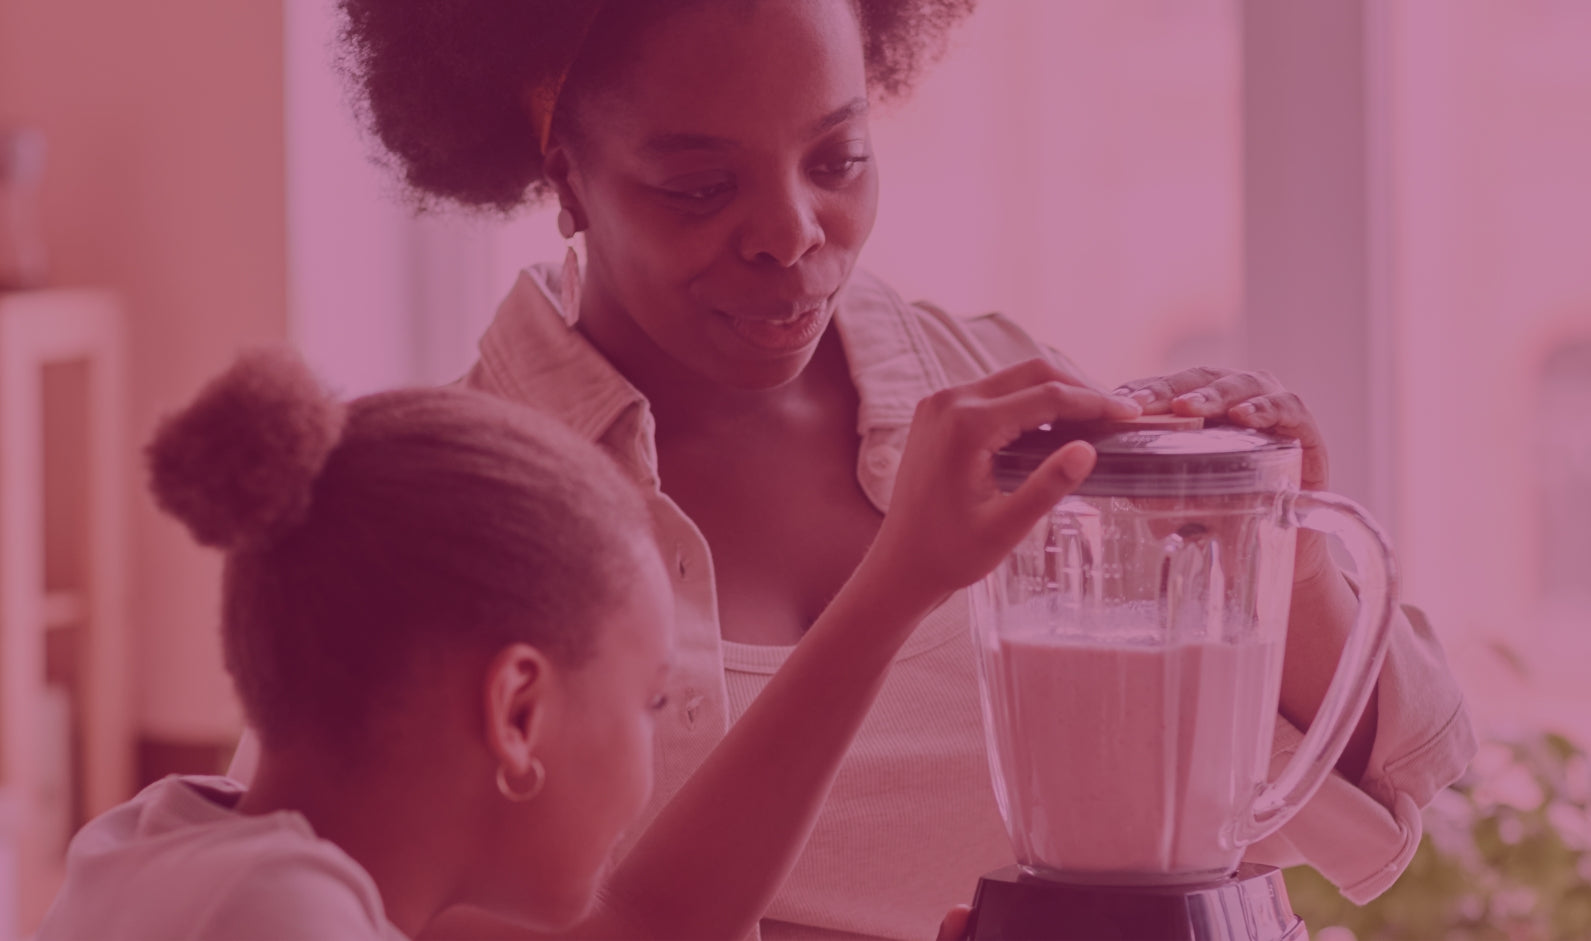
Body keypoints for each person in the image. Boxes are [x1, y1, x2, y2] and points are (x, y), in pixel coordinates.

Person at [320, 0, 1476, 938]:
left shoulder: (996, 392)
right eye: (700, 187)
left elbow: (1401, 765)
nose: (791, 231)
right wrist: (899, 580)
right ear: (566, 175)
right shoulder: (444, 520)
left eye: (839, 158)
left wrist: (1283, 557)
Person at [36, 347, 1127, 940]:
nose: (654, 748)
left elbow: (649, 924)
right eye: (647, 702)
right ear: (519, 710)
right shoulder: (278, 917)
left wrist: (904, 581)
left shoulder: (152, 839)